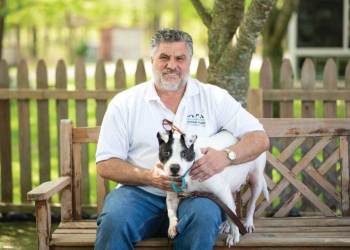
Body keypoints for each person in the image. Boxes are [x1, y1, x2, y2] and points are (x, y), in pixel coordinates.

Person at [94, 28, 270, 250]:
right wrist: (149, 176)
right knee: (115, 220)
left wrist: (227, 156)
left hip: (197, 193)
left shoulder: (213, 98)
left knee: (204, 217)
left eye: (180, 58)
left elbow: (260, 138)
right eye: (164, 57)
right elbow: (105, 164)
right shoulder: (125, 103)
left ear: (190, 62)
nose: (172, 65)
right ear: (152, 60)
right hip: (139, 192)